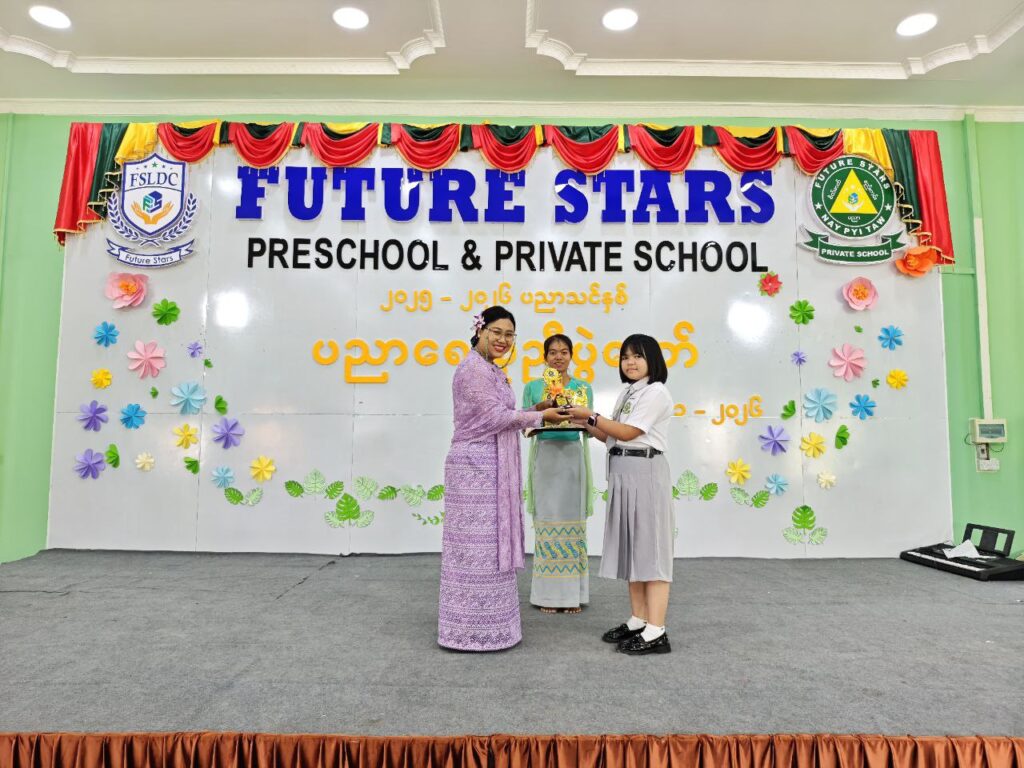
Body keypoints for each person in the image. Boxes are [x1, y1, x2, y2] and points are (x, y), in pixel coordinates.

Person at [437, 306, 568, 651]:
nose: (503, 340)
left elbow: (505, 414)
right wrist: (542, 418)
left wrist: (537, 409)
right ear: (479, 331)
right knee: (475, 549)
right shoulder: (473, 369)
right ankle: (467, 632)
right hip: (474, 468)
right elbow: (495, 417)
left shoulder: (491, 369)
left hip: (492, 466)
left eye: (509, 335)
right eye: (496, 332)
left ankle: (495, 626)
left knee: (491, 546)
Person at [564, 334, 675, 655]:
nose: (630, 362)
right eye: (625, 357)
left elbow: (628, 432)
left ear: (652, 360)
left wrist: (592, 415)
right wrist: (579, 419)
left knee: (651, 552)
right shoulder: (629, 392)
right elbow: (611, 435)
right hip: (625, 474)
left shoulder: (656, 392)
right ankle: (639, 620)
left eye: (638, 356)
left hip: (646, 473)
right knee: (633, 549)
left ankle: (656, 631)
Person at [522, 334, 594, 614]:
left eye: (564, 352)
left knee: (573, 522)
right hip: (546, 457)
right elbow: (524, 425)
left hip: (573, 458)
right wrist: (542, 412)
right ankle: (548, 597)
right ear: (544, 358)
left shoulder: (582, 387)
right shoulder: (532, 388)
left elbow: (590, 425)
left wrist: (582, 420)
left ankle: (573, 596)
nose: (558, 357)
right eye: (552, 352)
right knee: (547, 521)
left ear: (571, 356)